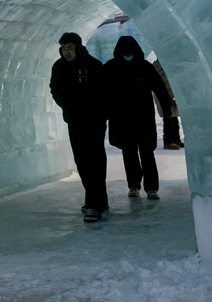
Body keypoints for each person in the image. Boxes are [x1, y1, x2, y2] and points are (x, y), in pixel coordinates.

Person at [49, 31, 109, 223]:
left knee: (95, 161)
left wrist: (101, 113)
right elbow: (55, 88)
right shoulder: (59, 67)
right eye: (64, 48)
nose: (67, 52)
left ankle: (94, 205)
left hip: (94, 121)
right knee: (82, 161)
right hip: (74, 121)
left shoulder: (93, 66)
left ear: (78, 48)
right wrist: (66, 105)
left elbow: (106, 91)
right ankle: (99, 199)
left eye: (70, 48)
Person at [103, 36, 173, 199]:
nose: (128, 53)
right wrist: (104, 112)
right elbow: (102, 91)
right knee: (129, 153)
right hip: (121, 118)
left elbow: (160, 88)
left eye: (130, 50)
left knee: (147, 152)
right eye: (124, 50)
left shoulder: (144, 67)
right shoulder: (111, 67)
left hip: (143, 118)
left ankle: (151, 187)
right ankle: (134, 185)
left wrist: (167, 108)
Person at [152, 60, 183, 149]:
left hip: (168, 95)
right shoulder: (160, 65)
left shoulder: (161, 64)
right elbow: (166, 82)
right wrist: (174, 95)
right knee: (168, 119)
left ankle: (176, 139)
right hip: (164, 95)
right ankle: (168, 141)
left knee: (174, 118)